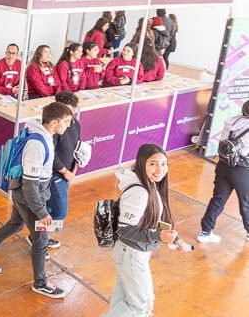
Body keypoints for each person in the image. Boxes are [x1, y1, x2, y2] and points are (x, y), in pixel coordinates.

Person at [0, 102, 73, 299]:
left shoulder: (45, 136)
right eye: (66, 121)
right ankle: (41, 283)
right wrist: (42, 213)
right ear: (54, 122)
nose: (68, 126)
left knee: (14, 225)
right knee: (41, 238)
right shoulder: (37, 144)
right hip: (28, 197)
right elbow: (30, 184)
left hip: (26, 196)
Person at [106, 144, 190, 316]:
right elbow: (125, 230)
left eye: (164, 164)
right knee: (141, 306)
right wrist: (158, 235)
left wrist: (175, 238)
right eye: (153, 164)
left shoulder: (150, 184)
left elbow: (152, 220)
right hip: (131, 254)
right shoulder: (139, 192)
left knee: (123, 300)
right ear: (142, 163)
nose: (160, 169)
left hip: (131, 253)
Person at [197, 100, 249, 244]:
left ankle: (205, 232)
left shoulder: (231, 121)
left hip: (223, 165)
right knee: (246, 203)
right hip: (242, 170)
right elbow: (245, 152)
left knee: (218, 199)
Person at [46, 91, 81, 250]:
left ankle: (40, 238)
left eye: (68, 111)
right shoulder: (56, 127)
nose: (65, 116)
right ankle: (39, 238)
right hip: (55, 175)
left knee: (51, 209)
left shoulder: (75, 124)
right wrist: (65, 172)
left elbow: (76, 148)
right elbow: (51, 154)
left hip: (67, 174)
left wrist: (74, 168)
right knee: (60, 212)